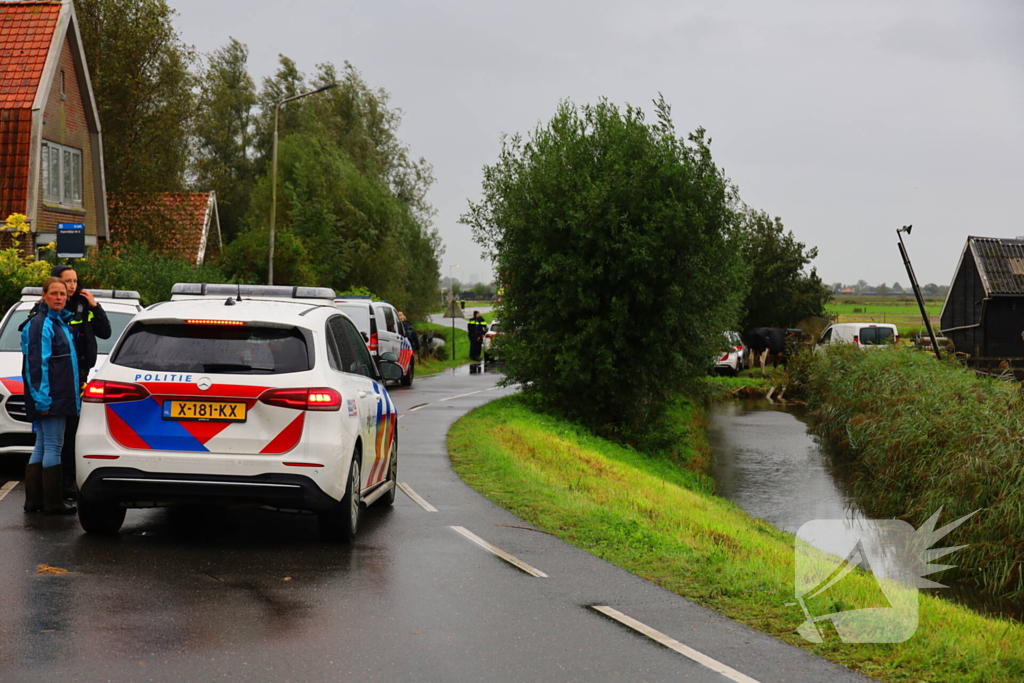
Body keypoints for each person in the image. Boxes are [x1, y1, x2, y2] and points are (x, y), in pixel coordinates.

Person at [50, 266, 111, 496]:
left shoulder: (84, 306)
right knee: (60, 436)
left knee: (74, 432)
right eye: (67, 281)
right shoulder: (52, 310)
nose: (73, 286)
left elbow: (104, 332)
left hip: (81, 376)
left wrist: (95, 305)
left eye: (75, 280)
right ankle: (60, 486)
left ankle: (68, 483)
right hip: (61, 378)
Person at [21, 277, 79, 515]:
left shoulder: (58, 322)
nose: (59, 298)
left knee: (43, 444)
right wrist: (43, 399)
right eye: (54, 293)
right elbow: (37, 364)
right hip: (53, 397)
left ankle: (35, 501)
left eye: (62, 294)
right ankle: (53, 503)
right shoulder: (42, 323)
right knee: (54, 445)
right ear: (43, 295)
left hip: (56, 395)